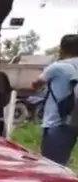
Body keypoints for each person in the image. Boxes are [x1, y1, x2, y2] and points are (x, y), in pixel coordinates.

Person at [32, 34, 78, 166]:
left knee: (51, 164)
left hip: (56, 121)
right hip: (74, 121)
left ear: (62, 48)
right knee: (63, 160)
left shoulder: (58, 67)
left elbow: (36, 84)